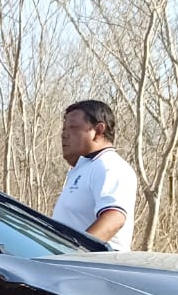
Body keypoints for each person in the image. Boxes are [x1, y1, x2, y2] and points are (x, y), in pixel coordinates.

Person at [51, 100, 137, 251]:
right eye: (64, 129)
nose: (64, 135)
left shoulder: (110, 166)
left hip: (95, 268)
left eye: (73, 128)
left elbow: (114, 218)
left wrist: (75, 253)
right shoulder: (83, 168)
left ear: (98, 130)